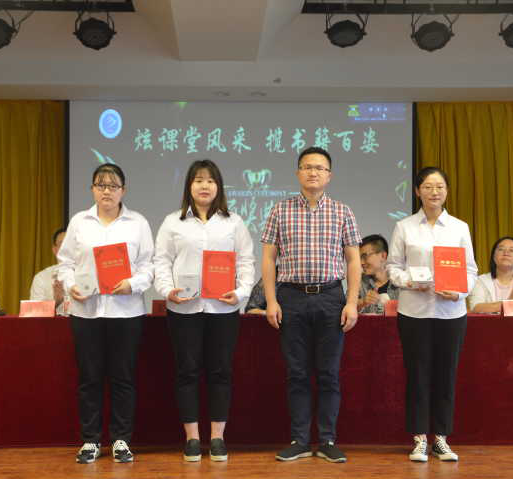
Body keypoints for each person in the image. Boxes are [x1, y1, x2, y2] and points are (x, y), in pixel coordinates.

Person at [261, 146, 362, 463]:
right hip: (291, 297)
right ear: (298, 173)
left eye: (320, 168)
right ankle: (301, 440)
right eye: (307, 167)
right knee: (297, 373)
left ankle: (328, 440)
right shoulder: (280, 210)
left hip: (331, 296)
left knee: (329, 373)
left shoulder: (343, 212)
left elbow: (354, 261)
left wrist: (352, 302)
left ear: (329, 175)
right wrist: (271, 300)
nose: (313, 172)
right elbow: (268, 258)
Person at [154, 159, 254, 462]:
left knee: (220, 371)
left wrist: (240, 292)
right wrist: (166, 290)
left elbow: (246, 261)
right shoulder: (173, 222)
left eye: (210, 180)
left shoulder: (233, 222)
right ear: (189, 186)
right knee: (186, 372)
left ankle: (218, 438)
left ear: (219, 186)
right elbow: (161, 261)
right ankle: (193, 439)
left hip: (223, 308)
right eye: (198, 180)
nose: (204, 186)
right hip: (183, 308)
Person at [56, 163, 154, 465]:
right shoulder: (79, 222)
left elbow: (148, 266)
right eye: (100, 185)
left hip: (126, 312)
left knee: (123, 378)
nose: (106, 191)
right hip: (87, 312)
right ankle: (91, 440)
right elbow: (65, 263)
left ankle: (121, 440)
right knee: (90, 378)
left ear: (123, 190)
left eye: (113, 186)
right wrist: (71, 286)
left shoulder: (137, 223)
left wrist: (133, 284)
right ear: (92, 190)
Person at [387, 166, 478, 463]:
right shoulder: (404, 227)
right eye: (427, 186)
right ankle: (419, 439)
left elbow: (471, 270)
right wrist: (409, 281)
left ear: (447, 191)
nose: (434, 192)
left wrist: (460, 292)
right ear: (417, 191)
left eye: (439, 186)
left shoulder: (459, 227)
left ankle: (441, 438)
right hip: (414, 311)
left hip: (450, 313)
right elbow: (393, 267)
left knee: (445, 375)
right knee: (417, 375)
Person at [468, 236, 513, 313]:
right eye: (501, 249)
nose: (506, 253)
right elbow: (475, 307)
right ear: (494, 257)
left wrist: (504, 305)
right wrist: (510, 303)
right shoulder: (481, 280)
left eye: (511, 250)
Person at [358, 234, 399, 314]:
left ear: (383, 256)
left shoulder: (400, 282)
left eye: (365, 256)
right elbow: (346, 307)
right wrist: (362, 302)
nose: (361, 262)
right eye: (360, 258)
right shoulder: (358, 282)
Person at [29, 227, 67, 314]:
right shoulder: (41, 278)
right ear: (55, 250)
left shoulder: (90, 275)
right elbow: (34, 314)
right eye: (63, 244)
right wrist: (56, 302)